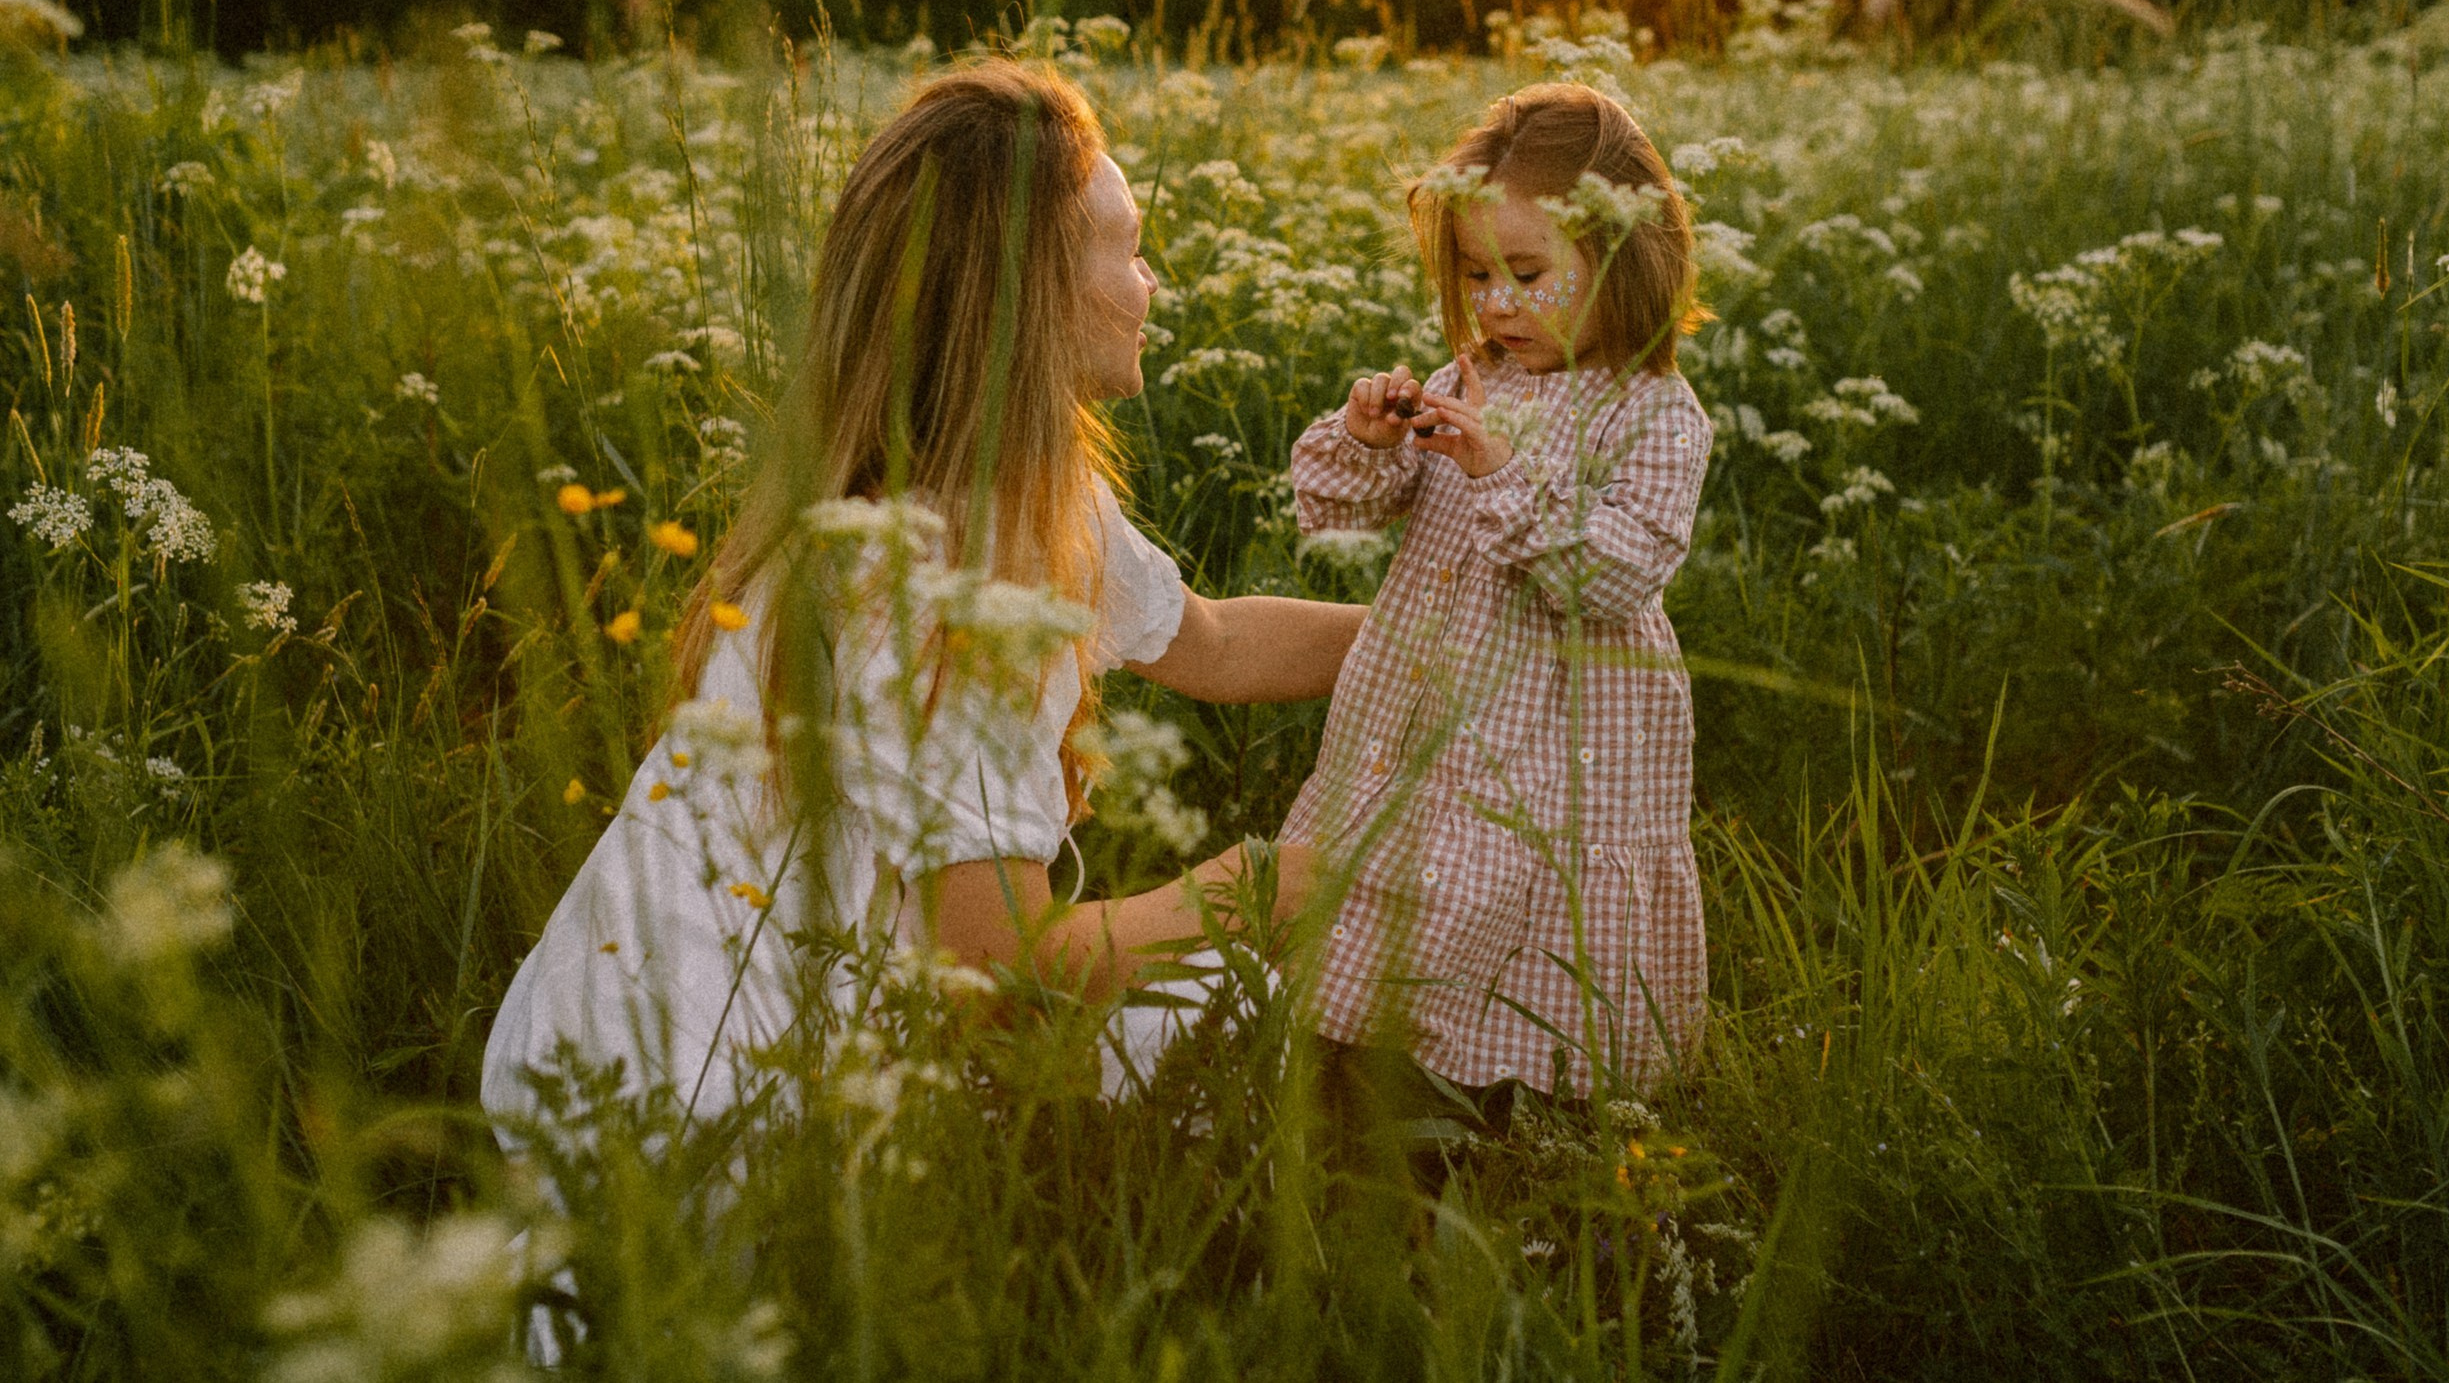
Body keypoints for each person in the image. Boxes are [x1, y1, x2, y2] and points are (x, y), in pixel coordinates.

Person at [481, 62, 1366, 1151]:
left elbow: (1216, 642)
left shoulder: (1001, 493)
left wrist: (1450, 637)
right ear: (1032, 294)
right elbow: (995, 972)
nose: (1149, 284)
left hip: (608, 1047)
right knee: (1238, 1024)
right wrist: (1262, 883)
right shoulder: (941, 585)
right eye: (1128, 250)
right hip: (707, 1109)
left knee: (1211, 1024)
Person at [1279, 81, 1714, 1117]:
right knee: (1392, 890)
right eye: (1474, 275)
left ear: (1624, 261)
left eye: (1527, 273)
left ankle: (1503, 1114)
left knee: (1513, 917)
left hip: (1552, 740)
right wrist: (1370, 440)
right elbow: (1343, 512)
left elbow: (1617, 573)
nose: (1496, 304)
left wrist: (1498, 477)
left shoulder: (1654, 414)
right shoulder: (1471, 375)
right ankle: (1360, 1086)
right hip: (1424, 712)